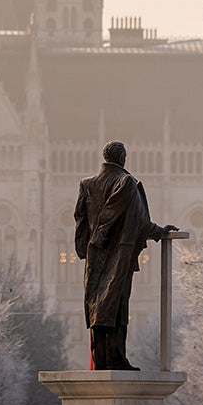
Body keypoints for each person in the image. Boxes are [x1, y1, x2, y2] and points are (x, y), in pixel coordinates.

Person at [73, 140, 175, 370]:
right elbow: (136, 219)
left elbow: (79, 218)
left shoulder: (86, 184)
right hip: (119, 252)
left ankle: (101, 359)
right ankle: (115, 359)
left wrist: (83, 247)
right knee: (116, 306)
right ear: (121, 158)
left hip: (94, 255)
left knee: (96, 306)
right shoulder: (126, 182)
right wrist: (159, 230)